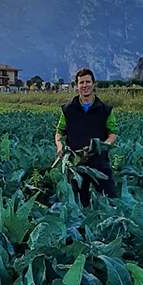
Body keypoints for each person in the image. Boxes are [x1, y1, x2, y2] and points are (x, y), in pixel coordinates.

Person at [55, 68, 117, 205]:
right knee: (78, 204)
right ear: (77, 86)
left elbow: (112, 134)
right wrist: (59, 145)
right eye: (81, 82)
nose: (85, 85)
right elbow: (59, 131)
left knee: (111, 200)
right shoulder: (67, 109)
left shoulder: (105, 110)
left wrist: (103, 146)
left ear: (94, 84)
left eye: (88, 82)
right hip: (76, 164)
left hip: (99, 162)